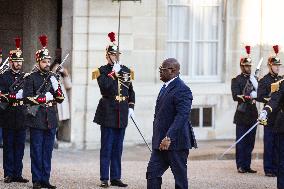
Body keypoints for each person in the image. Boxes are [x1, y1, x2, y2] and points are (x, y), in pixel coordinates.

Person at [146, 58, 197, 189]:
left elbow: (182, 116)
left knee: (180, 179)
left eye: (162, 69)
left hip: (176, 143)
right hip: (160, 143)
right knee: (152, 173)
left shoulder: (182, 89)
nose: (160, 72)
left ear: (172, 71)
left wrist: (169, 137)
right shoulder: (165, 86)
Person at [92, 32, 135, 188]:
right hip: (108, 111)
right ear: (107, 56)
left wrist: (131, 107)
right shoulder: (100, 71)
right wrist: (113, 74)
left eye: (117, 54)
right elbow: (105, 88)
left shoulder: (127, 70)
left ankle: (116, 177)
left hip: (122, 112)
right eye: (112, 54)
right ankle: (104, 178)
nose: (115, 57)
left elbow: (131, 91)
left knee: (118, 147)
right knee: (107, 146)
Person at [23, 35, 64, 189]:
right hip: (37, 119)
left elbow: (60, 99)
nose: (47, 64)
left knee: (47, 152)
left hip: (51, 119)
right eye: (44, 61)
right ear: (38, 61)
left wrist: (57, 86)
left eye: (48, 61)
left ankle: (45, 179)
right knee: (36, 151)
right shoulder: (31, 77)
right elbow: (27, 98)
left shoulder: (53, 77)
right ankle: (36, 180)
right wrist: (42, 98)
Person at [0, 38, 29, 183]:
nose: (18, 63)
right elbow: (1, 95)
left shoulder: (25, 77)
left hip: (21, 114)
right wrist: (12, 96)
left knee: (20, 146)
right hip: (9, 114)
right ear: (11, 62)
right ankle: (9, 173)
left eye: (20, 61)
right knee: (9, 146)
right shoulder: (3, 77)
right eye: (16, 61)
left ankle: (18, 173)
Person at [258, 45, 284, 189]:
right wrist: (270, 100)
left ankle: (275, 167)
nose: (277, 67)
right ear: (269, 66)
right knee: (269, 143)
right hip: (269, 114)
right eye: (275, 65)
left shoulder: (281, 80)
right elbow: (261, 97)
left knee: (278, 146)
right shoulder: (265, 80)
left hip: (279, 116)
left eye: (278, 65)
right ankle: (269, 168)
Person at [231, 46, 258, 173]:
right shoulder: (236, 80)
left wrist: (256, 92)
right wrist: (248, 96)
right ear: (242, 66)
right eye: (246, 66)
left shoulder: (254, 79)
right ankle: (240, 165)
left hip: (252, 114)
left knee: (250, 142)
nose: (249, 68)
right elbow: (235, 96)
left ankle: (247, 165)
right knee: (241, 141)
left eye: (250, 66)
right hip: (242, 114)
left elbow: (260, 93)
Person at [50, 48, 72, 148]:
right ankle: (53, 138)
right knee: (52, 118)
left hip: (61, 98)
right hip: (52, 97)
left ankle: (55, 137)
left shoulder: (62, 73)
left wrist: (66, 74)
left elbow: (68, 86)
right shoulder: (51, 71)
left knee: (59, 120)